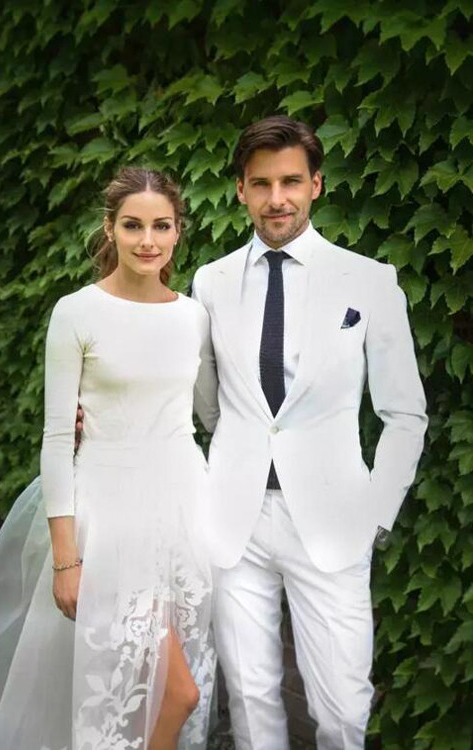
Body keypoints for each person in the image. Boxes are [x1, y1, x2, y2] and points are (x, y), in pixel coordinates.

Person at [191, 116, 428, 749]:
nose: (277, 199)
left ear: (316, 185)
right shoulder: (210, 282)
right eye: (261, 184)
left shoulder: (369, 280)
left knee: (343, 711)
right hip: (234, 521)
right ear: (240, 190)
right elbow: (210, 402)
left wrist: (376, 514)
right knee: (250, 701)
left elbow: (405, 413)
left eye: (291, 182)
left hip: (334, 519)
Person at [0, 167, 218, 750]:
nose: (148, 241)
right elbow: (58, 437)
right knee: (172, 693)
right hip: (109, 518)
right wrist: (66, 559)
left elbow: (212, 414)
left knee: (156, 693)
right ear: (110, 228)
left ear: (178, 230)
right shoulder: (76, 312)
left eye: (161, 226)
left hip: (184, 514)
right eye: (133, 226)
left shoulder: (193, 316)